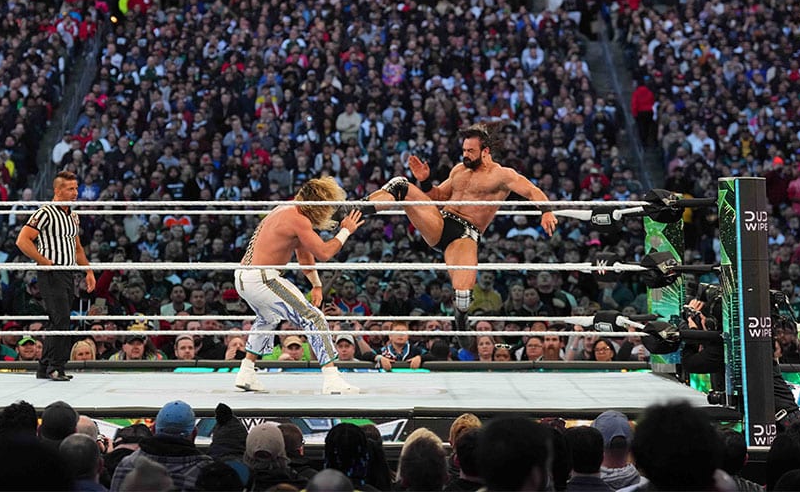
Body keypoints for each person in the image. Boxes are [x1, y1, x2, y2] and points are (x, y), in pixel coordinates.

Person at [366, 124, 558, 337]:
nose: (465, 155)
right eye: (464, 150)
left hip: (466, 233)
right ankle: (354, 209)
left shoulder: (502, 175)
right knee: (401, 185)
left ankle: (461, 320)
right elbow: (437, 197)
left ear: (485, 151)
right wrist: (425, 180)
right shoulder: (459, 170)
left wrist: (546, 211)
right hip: (440, 222)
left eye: (471, 151)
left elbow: (532, 191)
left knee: (463, 294)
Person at [233, 177, 364, 396]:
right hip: (262, 277)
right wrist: (346, 231)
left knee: (268, 319)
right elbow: (323, 253)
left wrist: (316, 285)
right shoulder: (298, 219)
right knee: (313, 317)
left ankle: (246, 372)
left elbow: (304, 254)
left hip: (243, 277)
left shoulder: (285, 210)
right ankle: (332, 378)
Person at [15, 170, 97, 381]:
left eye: (76, 188)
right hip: (51, 273)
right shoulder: (45, 212)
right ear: (58, 190)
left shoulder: (74, 216)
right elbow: (23, 240)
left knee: (59, 320)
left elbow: (77, 248)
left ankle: (44, 367)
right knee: (60, 319)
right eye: (70, 188)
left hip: (68, 273)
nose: (75, 192)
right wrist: (43, 261)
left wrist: (88, 270)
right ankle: (55, 367)